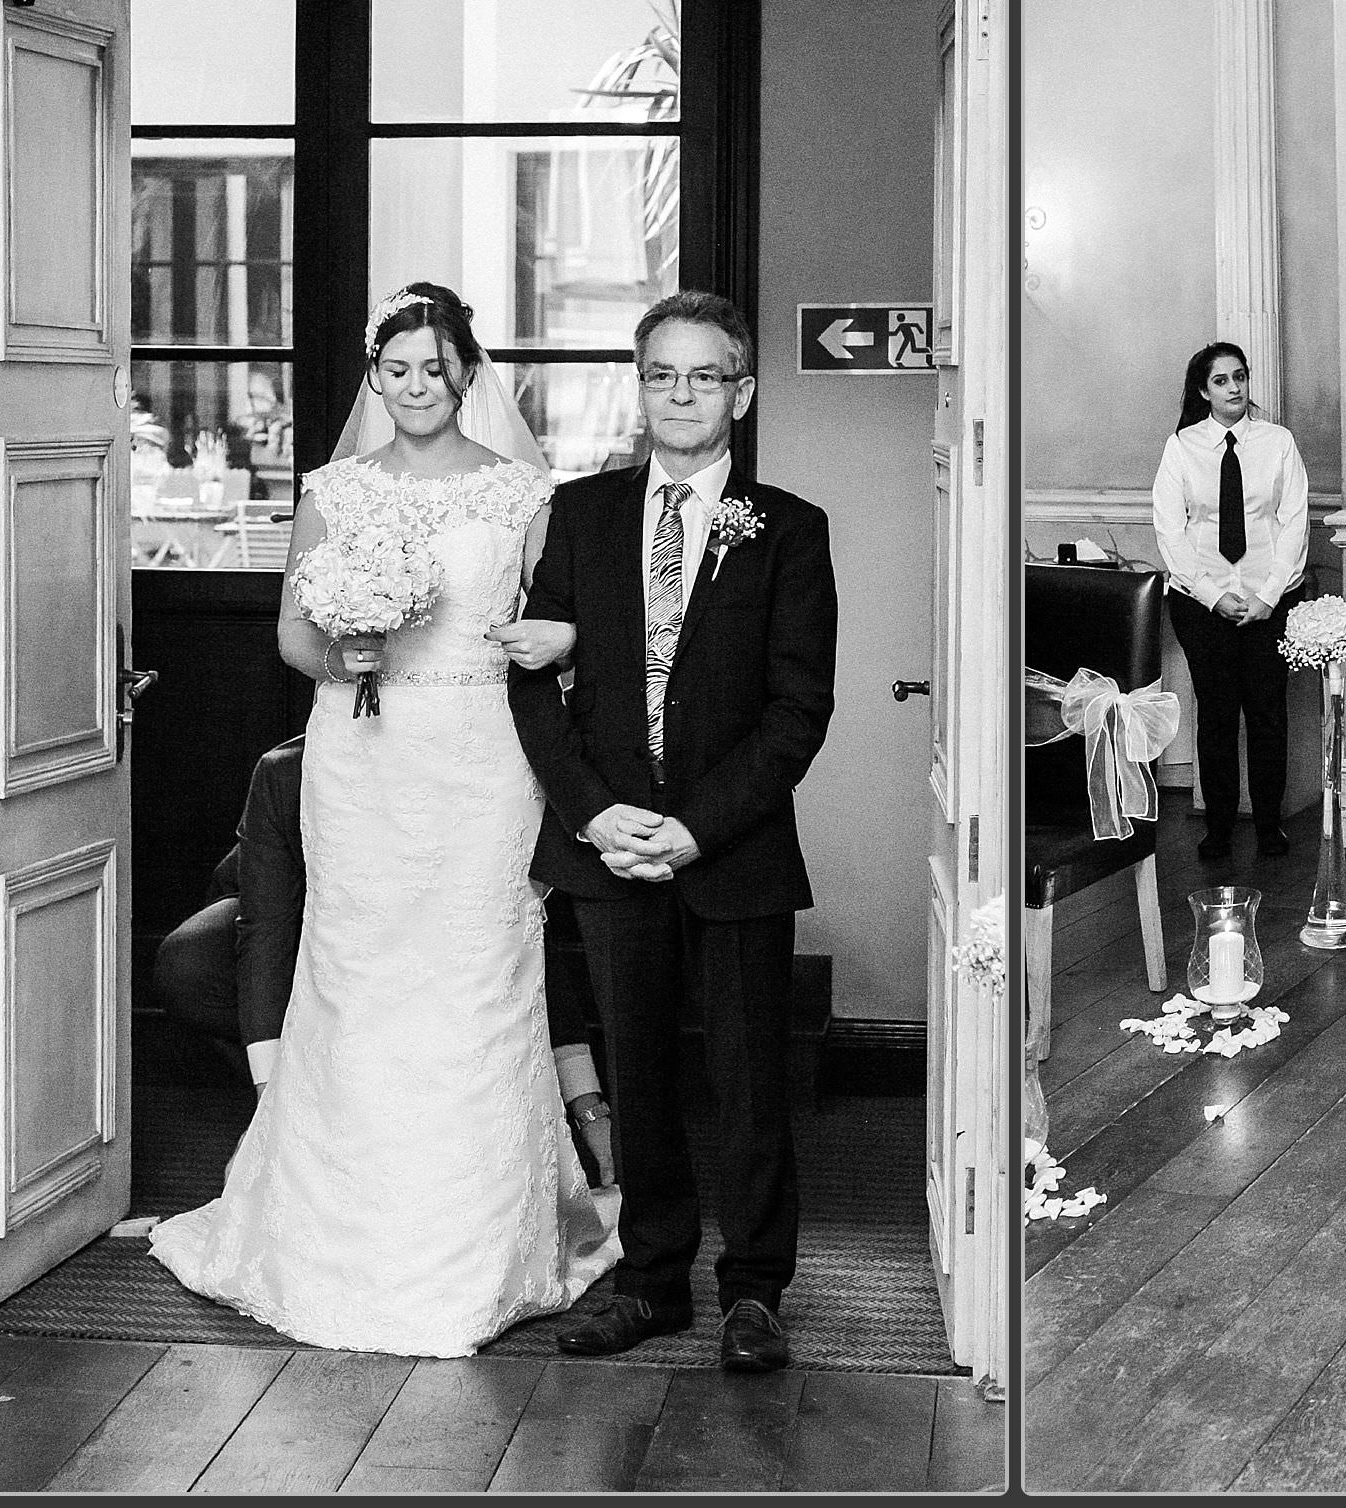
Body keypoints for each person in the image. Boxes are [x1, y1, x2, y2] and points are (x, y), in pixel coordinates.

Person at [148, 282, 617, 1358]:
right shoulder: (332, 491)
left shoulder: (521, 495)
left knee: (478, 975)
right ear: (375, 375)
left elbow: (556, 628)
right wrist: (343, 650)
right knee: (355, 981)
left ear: (467, 374)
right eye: (396, 369)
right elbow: (291, 637)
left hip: (485, 758)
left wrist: (556, 648)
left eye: (435, 368)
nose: (417, 387)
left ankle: (480, 1248)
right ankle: (333, 1245)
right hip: (362, 755)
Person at [508, 290, 838, 1374]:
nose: (683, 394)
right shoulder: (584, 513)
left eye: (707, 375)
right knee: (634, 1071)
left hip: (730, 846)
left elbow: (799, 711)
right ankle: (651, 1280)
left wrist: (693, 829)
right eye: (663, 374)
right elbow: (533, 684)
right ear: (639, 387)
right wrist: (595, 812)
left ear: (741, 391)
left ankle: (753, 1290)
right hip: (606, 843)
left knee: (747, 1077)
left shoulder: (789, 527)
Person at [150, 735, 617, 1186]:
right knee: (192, 965)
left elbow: (530, 945)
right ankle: (299, 1101)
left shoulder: (478, 783)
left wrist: (588, 1107)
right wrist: (271, 1117)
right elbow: (265, 936)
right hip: (296, 934)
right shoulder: (289, 772)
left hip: (431, 968)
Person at [1150, 343, 1310, 861]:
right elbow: (1171, 532)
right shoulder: (1182, 447)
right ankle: (1217, 827)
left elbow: (1293, 523)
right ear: (1204, 390)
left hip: (1272, 600)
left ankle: (1268, 826)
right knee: (1216, 716)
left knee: (1268, 713)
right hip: (1202, 605)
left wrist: (1266, 597)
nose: (1234, 388)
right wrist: (1215, 597)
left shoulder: (1277, 443)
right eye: (1221, 381)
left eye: (1240, 377)